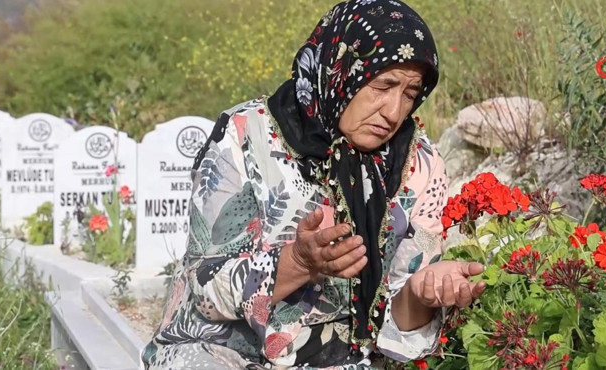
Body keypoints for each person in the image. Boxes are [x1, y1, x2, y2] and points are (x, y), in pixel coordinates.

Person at [142, 0, 486, 368]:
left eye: (410, 93)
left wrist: (420, 293)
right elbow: (206, 289)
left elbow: (395, 331)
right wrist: (299, 262)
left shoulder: (418, 163)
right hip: (223, 352)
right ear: (340, 70)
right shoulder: (246, 136)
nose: (393, 111)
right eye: (383, 85)